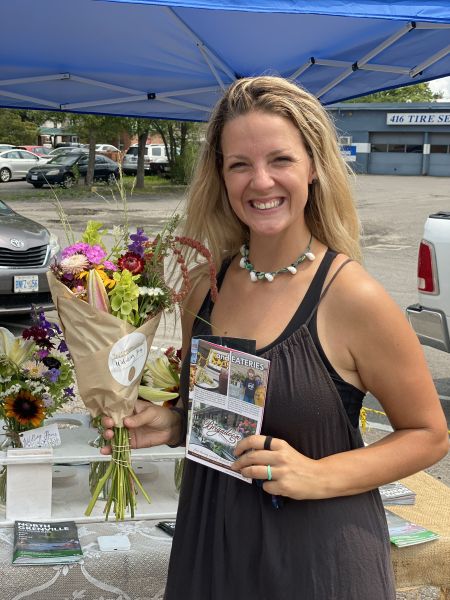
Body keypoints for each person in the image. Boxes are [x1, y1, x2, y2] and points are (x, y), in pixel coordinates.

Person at [101, 76, 448, 599]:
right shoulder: (204, 287)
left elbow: (429, 434)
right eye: (240, 164)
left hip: (316, 562)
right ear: (221, 176)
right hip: (211, 551)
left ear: (313, 167)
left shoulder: (353, 296)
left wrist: (318, 475)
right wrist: (174, 424)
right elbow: (226, 417)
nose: (260, 181)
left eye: (280, 160)